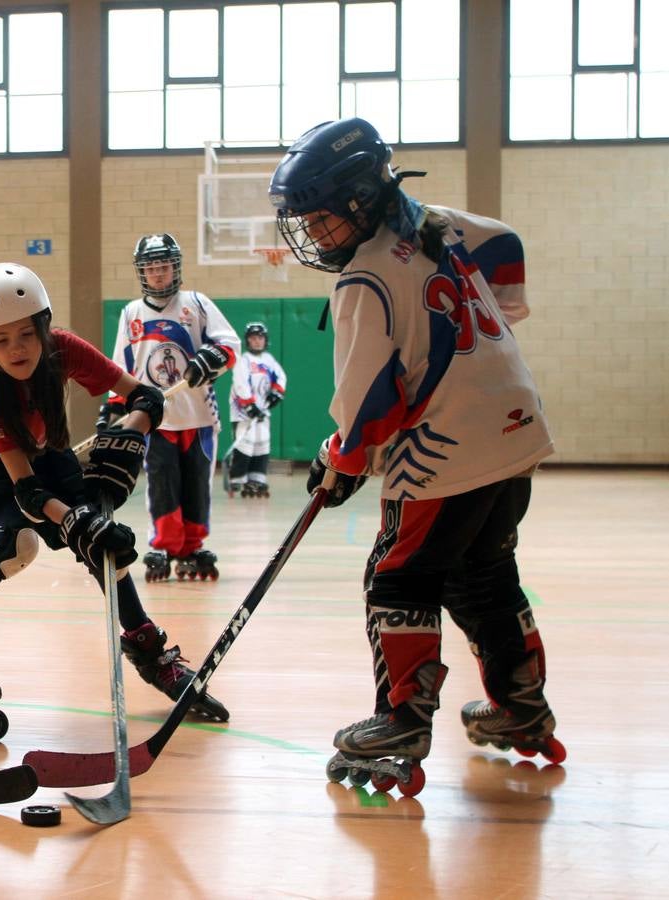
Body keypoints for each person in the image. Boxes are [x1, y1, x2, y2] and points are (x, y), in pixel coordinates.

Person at [269, 117, 565, 791]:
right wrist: (488, 315)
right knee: (483, 573)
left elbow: (368, 403)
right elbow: (506, 249)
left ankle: (401, 720)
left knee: (397, 577)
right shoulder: (437, 223)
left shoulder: (363, 278)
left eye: (320, 220)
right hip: (516, 427)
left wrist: (339, 459)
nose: (312, 235)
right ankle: (522, 707)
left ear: (358, 201)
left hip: (447, 447)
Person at [0, 262, 228, 725]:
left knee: (100, 539)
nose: (17, 348)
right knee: (18, 541)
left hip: (38, 443)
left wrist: (130, 434)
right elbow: (29, 494)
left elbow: (145, 398)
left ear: (44, 327)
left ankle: (148, 651)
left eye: (26, 334)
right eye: (1, 340)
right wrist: (76, 519)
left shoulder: (64, 349)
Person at [102, 233, 241, 582]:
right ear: (142, 272)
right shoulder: (131, 313)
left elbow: (230, 344)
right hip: (155, 419)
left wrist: (213, 357)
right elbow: (121, 366)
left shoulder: (197, 303)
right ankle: (164, 545)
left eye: (164, 265)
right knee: (161, 482)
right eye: (151, 267)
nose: (158, 273)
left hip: (199, 415)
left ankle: (192, 545)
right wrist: (115, 406)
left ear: (175, 267)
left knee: (197, 484)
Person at [225, 323, 287, 498]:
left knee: (262, 442)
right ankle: (237, 478)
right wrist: (250, 406)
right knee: (246, 442)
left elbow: (281, 377)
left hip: (262, 410)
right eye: (253, 338)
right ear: (247, 341)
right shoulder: (243, 360)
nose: (257, 341)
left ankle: (257, 479)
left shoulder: (268, 359)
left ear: (265, 340)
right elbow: (240, 384)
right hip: (243, 412)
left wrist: (277, 392)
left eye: (260, 337)